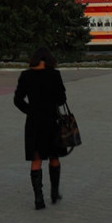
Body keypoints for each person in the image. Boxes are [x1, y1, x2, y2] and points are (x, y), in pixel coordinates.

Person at [14, 47, 67, 210]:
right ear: (48, 60)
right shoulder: (54, 75)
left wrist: (31, 110)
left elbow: (18, 100)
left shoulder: (26, 75)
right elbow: (61, 99)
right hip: (52, 121)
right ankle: (54, 192)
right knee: (54, 157)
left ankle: (38, 200)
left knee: (36, 159)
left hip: (33, 123)